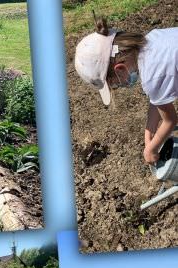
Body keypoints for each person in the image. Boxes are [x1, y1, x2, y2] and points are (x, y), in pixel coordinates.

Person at [74, 19, 177, 164]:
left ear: (120, 70)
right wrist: (150, 130)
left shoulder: (152, 77)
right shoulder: (152, 39)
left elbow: (170, 120)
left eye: (116, 84)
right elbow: (158, 101)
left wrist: (151, 150)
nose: (120, 86)